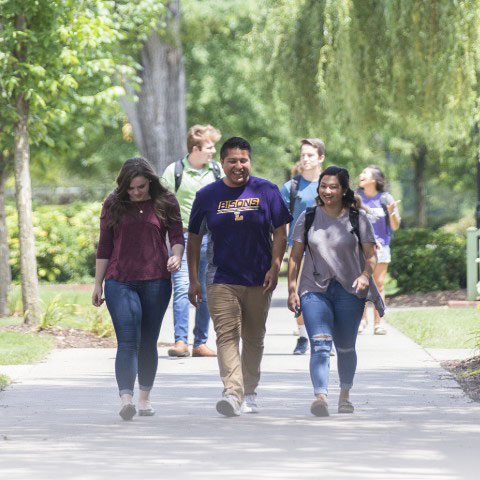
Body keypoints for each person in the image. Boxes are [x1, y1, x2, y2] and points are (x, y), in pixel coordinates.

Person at [187, 137, 292, 417]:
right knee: (227, 336)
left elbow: (281, 230)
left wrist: (275, 266)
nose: (238, 166)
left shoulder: (266, 190)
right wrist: (194, 280)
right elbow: (194, 238)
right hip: (221, 277)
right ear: (221, 163)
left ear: (249, 162)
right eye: (232, 160)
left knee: (254, 337)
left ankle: (250, 391)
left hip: (259, 277)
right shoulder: (207, 196)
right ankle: (232, 392)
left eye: (243, 160)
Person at [287, 166, 384, 417]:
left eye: (333, 187)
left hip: (349, 290)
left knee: (345, 347)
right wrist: (291, 290)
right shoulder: (307, 218)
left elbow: (371, 255)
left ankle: (344, 395)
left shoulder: (357, 218)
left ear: (343, 190)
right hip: (313, 289)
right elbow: (295, 257)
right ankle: (320, 396)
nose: (327, 191)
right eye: (323, 186)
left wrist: (365, 275)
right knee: (319, 344)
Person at [92, 157, 184, 421]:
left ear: (150, 183)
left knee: (147, 341)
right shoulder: (113, 204)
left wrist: (176, 255)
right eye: (131, 188)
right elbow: (104, 245)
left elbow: (177, 235)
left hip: (156, 279)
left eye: (140, 187)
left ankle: (144, 398)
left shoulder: (165, 201)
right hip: (120, 279)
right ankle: (126, 400)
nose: (135, 192)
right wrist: (98, 283)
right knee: (127, 340)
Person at [161, 124, 222, 357]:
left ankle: (200, 342)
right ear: (195, 148)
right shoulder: (174, 171)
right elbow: (161, 204)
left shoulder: (217, 171)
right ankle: (180, 341)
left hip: (212, 238)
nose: (213, 151)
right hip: (182, 237)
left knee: (207, 289)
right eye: (209, 147)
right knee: (182, 288)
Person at [281, 138, 324, 355]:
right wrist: (280, 253)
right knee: (298, 293)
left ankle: (325, 337)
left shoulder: (330, 185)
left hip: (327, 251)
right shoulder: (291, 187)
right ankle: (303, 336)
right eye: (303, 155)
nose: (305, 159)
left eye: (310, 155)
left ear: (321, 158)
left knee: (325, 294)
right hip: (298, 249)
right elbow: (282, 223)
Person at [357, 165, 401, 335]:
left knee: (379, 285)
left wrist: (391, 213)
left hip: (382, 247)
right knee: (361, 285)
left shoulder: (386, 198)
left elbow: (396, 226)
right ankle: (361, 321)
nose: (361, 175)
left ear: (374, 180)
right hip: (360, 248)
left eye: (365, 173)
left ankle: (378, 323)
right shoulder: (356, 197)